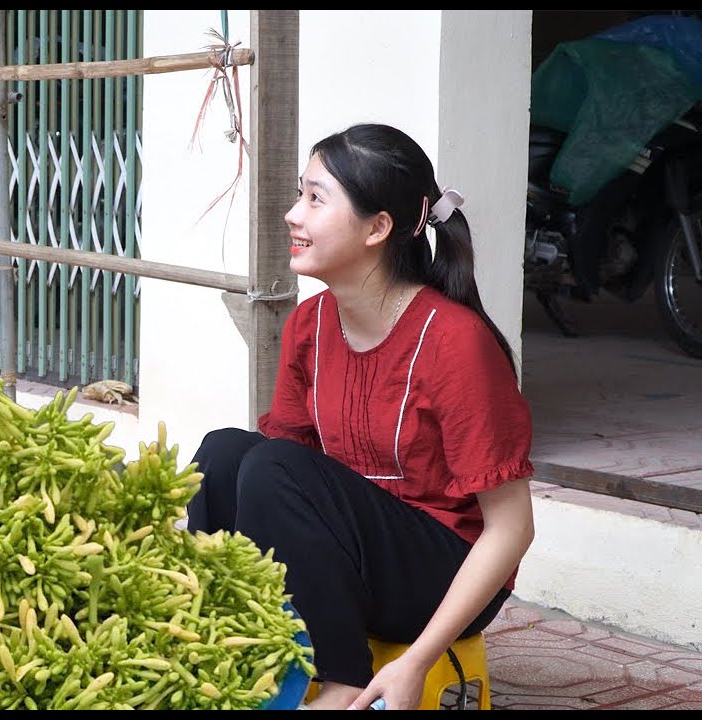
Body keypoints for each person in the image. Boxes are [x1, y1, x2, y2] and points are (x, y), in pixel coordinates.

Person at [185, 123, 535, 711]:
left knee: (272, 466)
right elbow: (289, 475)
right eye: (301, 195)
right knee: (224, 453)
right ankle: (212, 645)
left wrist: (415, 664)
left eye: (315, 199)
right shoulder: (309, 325)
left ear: (378, 227)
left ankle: (341, 682)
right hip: (350, 557)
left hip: (440, 570)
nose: (293, 215)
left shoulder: (455, 343)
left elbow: (511, 529)